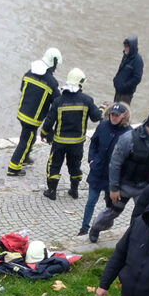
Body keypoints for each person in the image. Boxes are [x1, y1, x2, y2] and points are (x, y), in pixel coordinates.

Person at [88, 108, 149, 243]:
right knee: (113, 211)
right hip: (125, 184)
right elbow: (115, 164)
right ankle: (95, 228)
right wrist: (114, 188)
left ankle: (135, 237)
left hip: (147, 185)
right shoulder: (128, 138)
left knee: (144, 214)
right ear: (147, 125)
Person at [40, 68, 102, 201]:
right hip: (77, 143)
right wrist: (102, 109)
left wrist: (44, 133)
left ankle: (52, 191)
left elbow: (48, 122)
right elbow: (96, 117)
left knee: (54, 165)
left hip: (59, 142)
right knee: (75, 165)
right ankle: (74, 190)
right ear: (80, 83)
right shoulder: (87, 100)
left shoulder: (58, 101)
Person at [7, 49, 62, 177]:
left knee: (28, 137)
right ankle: (13, 167)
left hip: (22, 112)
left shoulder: (29, 72)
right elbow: (56, 102)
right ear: (53, 63)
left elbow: (22, 88)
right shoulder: (52, 82)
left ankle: (25, 157)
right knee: (25, 141)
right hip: (33, 118)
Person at [80, 102, 131, 235]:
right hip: (97, 171)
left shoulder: (128, 133)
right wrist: (91, 159)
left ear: (123, 116)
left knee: (110, 206)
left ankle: (105, 224)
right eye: (111, 115)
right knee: (91, 201)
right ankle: (84, 228)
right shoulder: (103, 126)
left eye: (116, 115)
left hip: (112, 177)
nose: (113, 117)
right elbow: (94, 143)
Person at [112, 36, 143, 105]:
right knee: (114, 110)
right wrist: (115, 80)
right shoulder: (126, 56)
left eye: (127, 46)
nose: (125, 48)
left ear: (132, 47)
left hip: (126, 94)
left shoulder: (137, 60)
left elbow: (137, 78)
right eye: (124, 46)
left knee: (121, 113)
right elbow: (120, 70)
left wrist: (124, 86)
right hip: (118, 91)